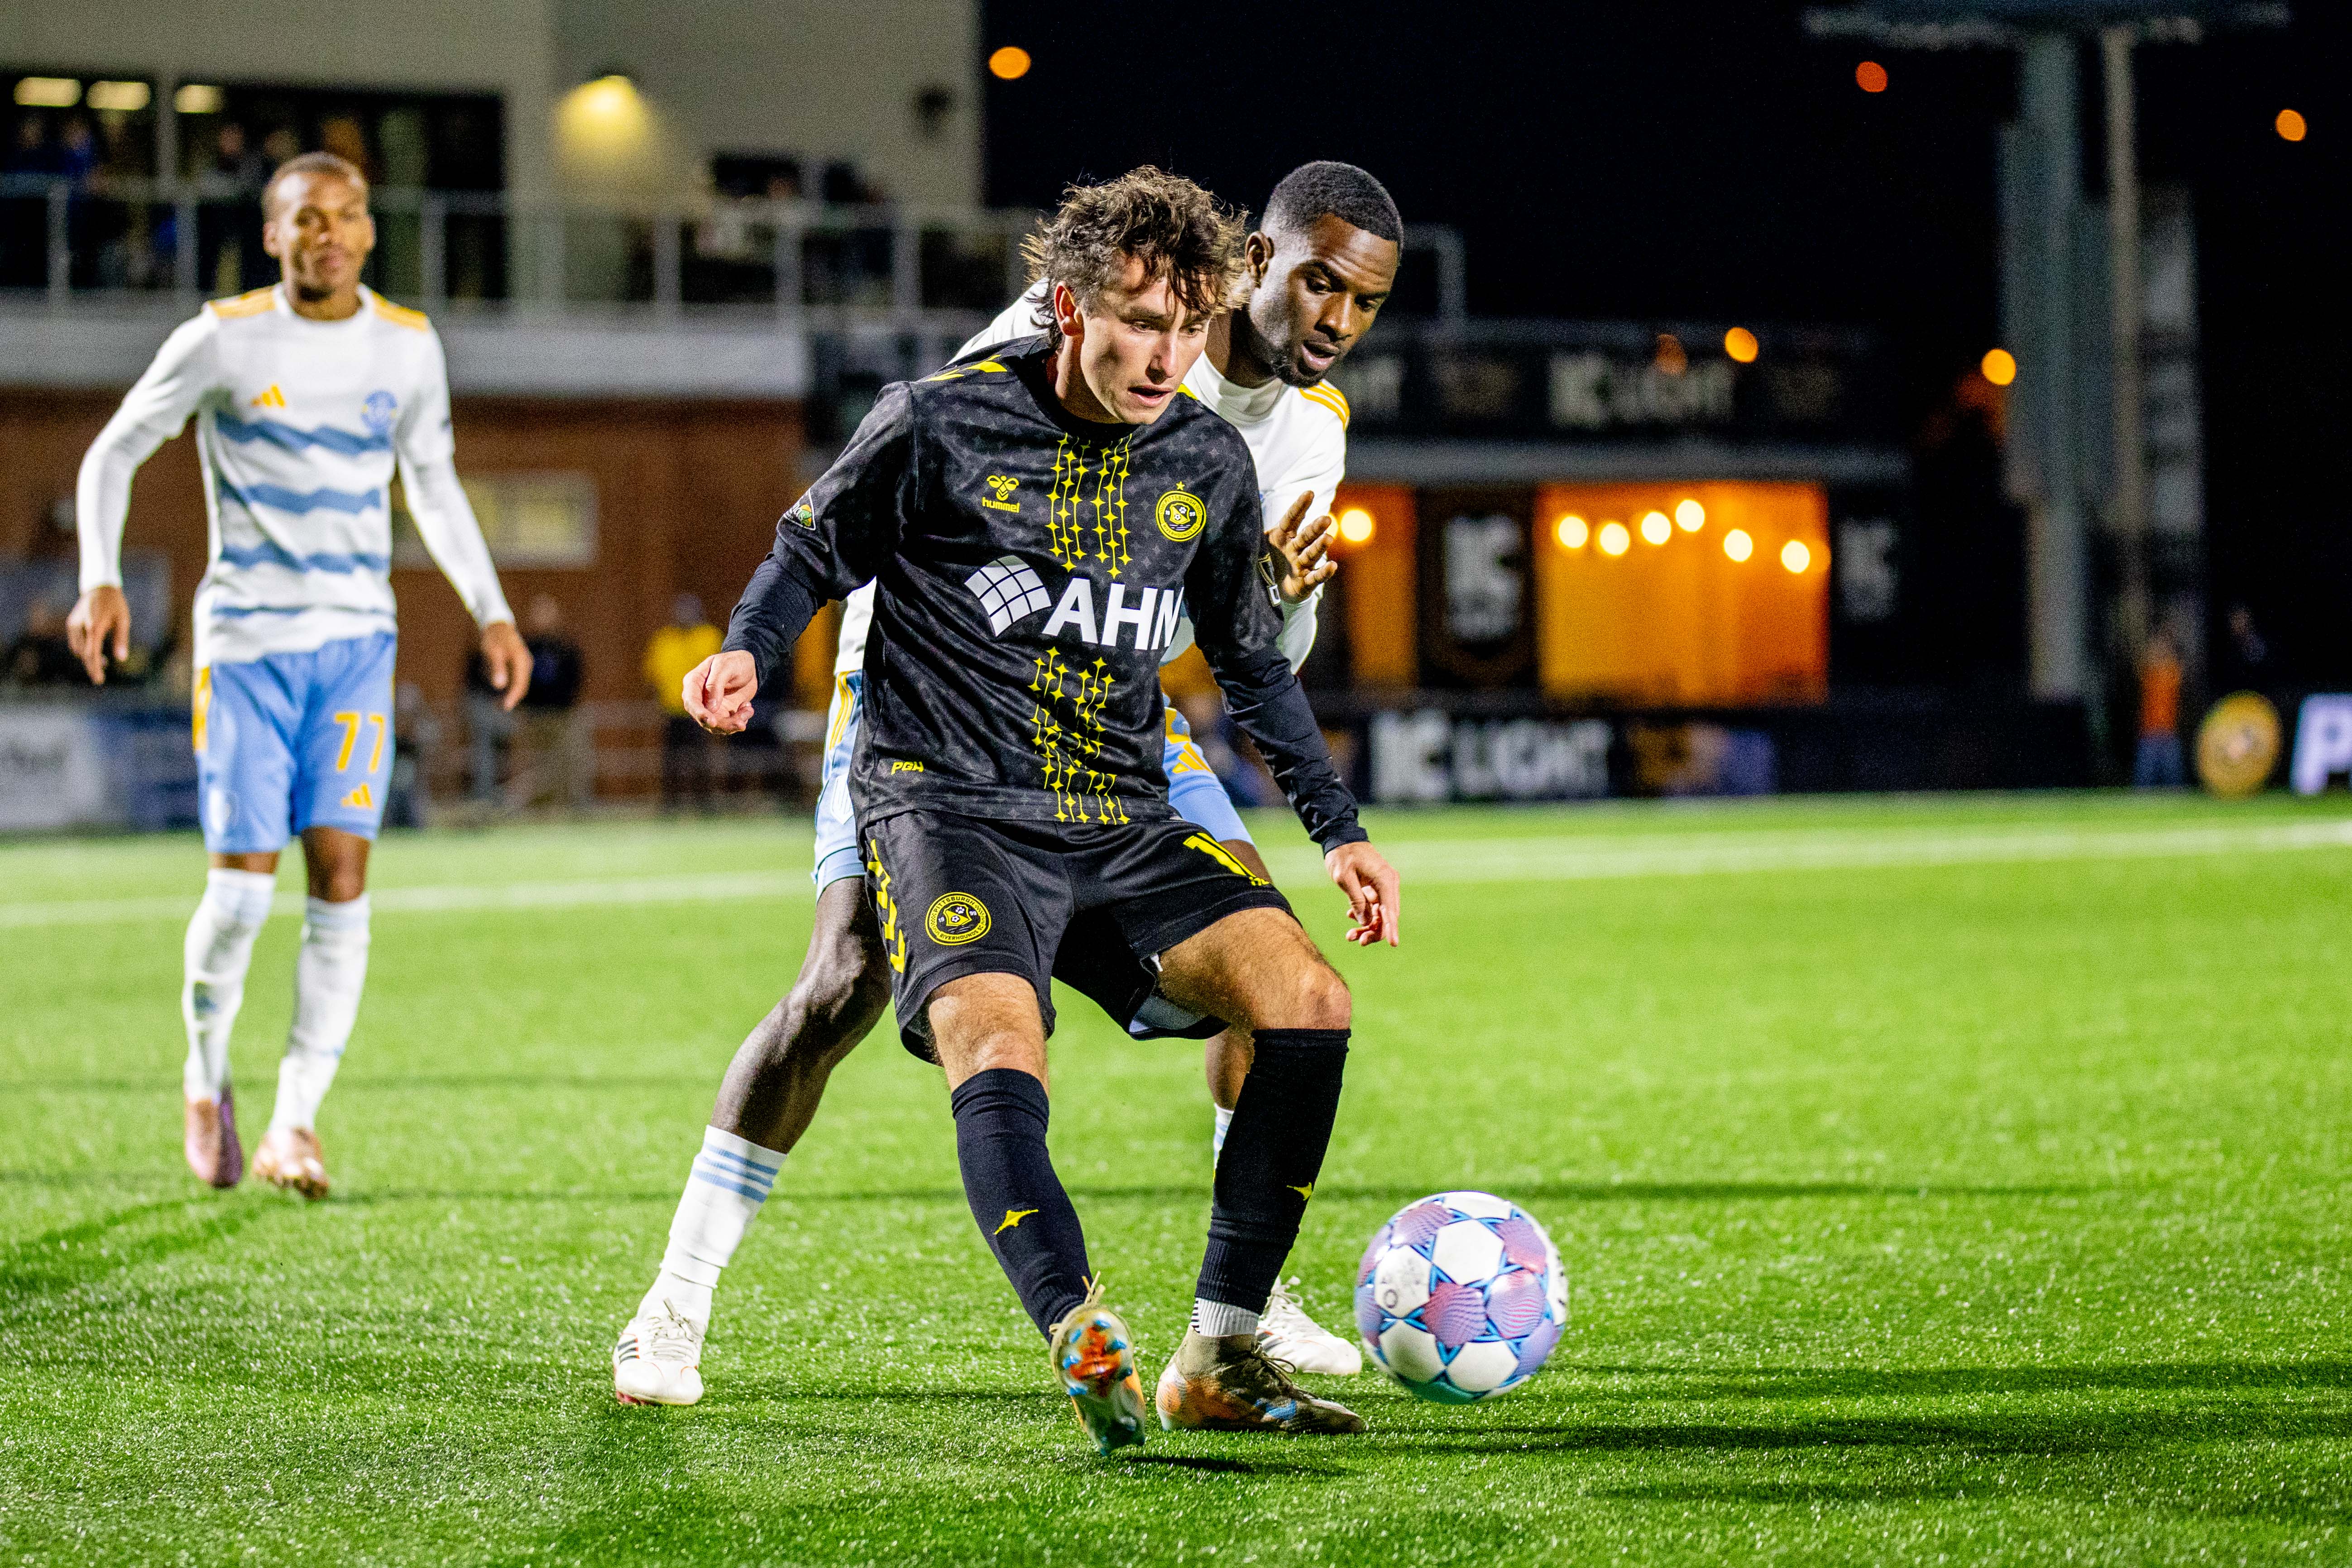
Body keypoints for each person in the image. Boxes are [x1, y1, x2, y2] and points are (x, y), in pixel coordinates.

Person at [618, 168, 1404, 1453]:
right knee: (846, 980)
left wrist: (1336, 816)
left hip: (1118, 723)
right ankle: (677, 1297)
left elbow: (1260, 648)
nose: (1331, 313)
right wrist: (761, 648)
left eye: (1361, 299)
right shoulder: (987, 382)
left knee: (1286, 974)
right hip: (934, 721)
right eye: (1316, 278)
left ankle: (1234, 1316)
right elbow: (842, 528)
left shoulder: (1294, 432)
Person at [67, 150, 527, 1199]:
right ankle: (204, 1074)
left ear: (371, 231)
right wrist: (100, 578)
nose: (329, 232)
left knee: (343, 880)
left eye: (349, 215)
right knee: (237, 895)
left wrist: (492, 608)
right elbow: (112, 452)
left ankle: (295, 1121)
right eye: (306, 218)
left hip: (357, 644)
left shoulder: (409, 347)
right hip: (245, 648)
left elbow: (434, 482)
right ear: (273, 235)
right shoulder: (224, 339)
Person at [514, 593, 592, 810]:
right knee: (538, 765)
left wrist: (567, 704)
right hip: (535, 717)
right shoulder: (526, 647)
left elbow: (576, 678)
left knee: (568, 762)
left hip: (562, 715)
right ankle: (534, 808)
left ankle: (569, 806)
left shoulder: (566, 648)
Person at [644, 593, 720, 810]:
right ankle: (670, 804)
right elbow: (653, 676)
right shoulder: (663, 640)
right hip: (672, 711)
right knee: (671, 762)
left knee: (701, 759)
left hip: (701, 712)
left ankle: (705, 804)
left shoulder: (709, 636)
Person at [2134, 632, 2184, 789]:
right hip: (2149, 735)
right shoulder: (2148, 673)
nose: (2159, 650)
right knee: (2144, 780)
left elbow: (2179, 663)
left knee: (2174, 780)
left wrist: (2169, 641)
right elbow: (2141, 660)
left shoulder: (2173, 672)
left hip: (2169, 734)